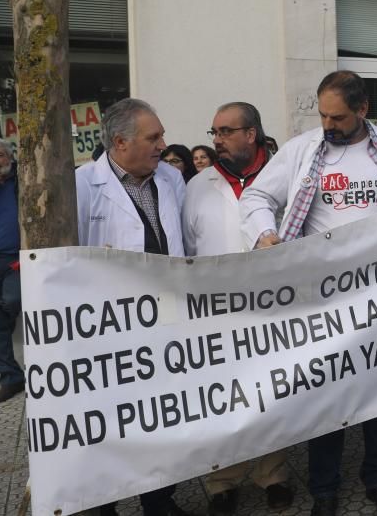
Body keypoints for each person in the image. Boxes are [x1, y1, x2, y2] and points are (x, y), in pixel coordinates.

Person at [240, 71, 377, 516]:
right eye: (322, 115)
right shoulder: (303, 151)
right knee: (326, 395)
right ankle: (324, 490)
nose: (328, 125)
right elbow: (257, 197)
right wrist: (264, 235)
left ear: (362, 110)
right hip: (322, 302)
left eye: (337, 117)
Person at [75, 99, 188, 516]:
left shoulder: (171, 179)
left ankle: (159, 500)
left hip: (166, 320)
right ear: (120, 143)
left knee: (161, 418)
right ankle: (104, 504)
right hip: (108, 330)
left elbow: (183, 247)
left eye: (161, 135)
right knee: (111, 423)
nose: (162, 144)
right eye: (152, 137)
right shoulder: (83, 185)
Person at [182, 103, 294, 515]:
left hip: (273, 311)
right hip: (216, 314)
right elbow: (189, 253)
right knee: (223, 398)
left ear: (252, 134)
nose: (217, 141)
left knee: (270, 393)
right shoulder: (198, 187)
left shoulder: (284, 180)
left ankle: (274, 474)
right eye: (213, 132)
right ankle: (222, 479)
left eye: (226, 132)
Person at [0, 138, 23, 404]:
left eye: (0, 155)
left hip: (17, 259)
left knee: (12, 300)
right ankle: (10, 376)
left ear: (9, 158)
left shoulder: (20, 181)